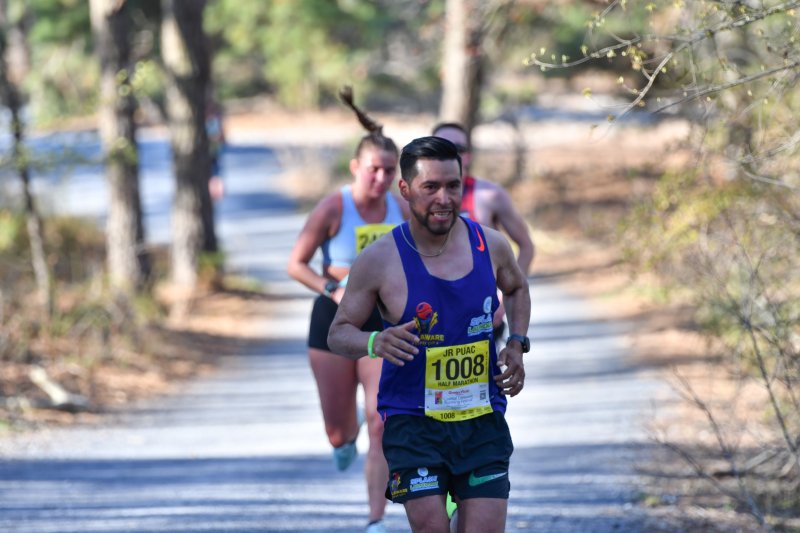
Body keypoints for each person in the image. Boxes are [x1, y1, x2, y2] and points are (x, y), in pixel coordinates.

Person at [328, 136, 532, 533]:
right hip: (413, 422)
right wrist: (375, 342)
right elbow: (339, 333)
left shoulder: (489, 245)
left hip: (480, 417)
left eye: (453, 186)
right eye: (430, 187)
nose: (444, 199)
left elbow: (517, 287)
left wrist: (517, 343)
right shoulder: (379, 260)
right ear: (404, 190)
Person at [286, 87, 408, 533]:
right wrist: (333, 288)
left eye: (389, 171)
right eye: (374, 169)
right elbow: (295, 264)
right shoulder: (334, 207)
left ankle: (376, 519)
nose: (380, 179)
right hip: (335, 320)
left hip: (384, 319)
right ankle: (343, 434)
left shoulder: (402, 205)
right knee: (341, 433)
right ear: (356, 167)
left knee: (380, 420)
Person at [432, 122, 535, 341]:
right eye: (443, 148)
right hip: (433, 312)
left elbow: (526, 245)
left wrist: (505, 296)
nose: (452, 155)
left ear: (468, 155)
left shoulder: (489, 195)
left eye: (458, 149)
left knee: (487, 375)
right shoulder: (416, 199)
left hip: (482, 311)